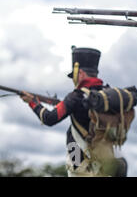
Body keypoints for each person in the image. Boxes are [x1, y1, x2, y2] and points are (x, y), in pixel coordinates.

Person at [21, 46, 130, 177]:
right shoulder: (108, 94)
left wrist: (33, 102)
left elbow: (48, 119)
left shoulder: (75, 96)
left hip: (78, 159)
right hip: (106, 160)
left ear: (81, 73)